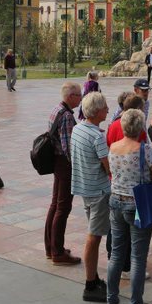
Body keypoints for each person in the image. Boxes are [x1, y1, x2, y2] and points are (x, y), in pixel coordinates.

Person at [106, 109, 152, 304]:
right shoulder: (145, 150)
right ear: (140, 127)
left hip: (115, 200)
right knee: (138, 258)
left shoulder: (113, 147)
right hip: (137, 204)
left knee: (116, 255)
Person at [70, 92, 111, 303]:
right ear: (96, 112)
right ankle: (90, 285)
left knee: (93, 235)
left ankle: (93, 277)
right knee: (94, 237)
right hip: (99, 191)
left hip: (84, 188)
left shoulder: (77, 129)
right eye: (105, 107)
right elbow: (108, 167)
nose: (108, 110)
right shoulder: (97, 136)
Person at [45, 82, 83, 265]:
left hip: (56, 162)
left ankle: (50, 247)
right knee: (63, 208)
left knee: (55, 205)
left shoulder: (56, 109)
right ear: (70, 96)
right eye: (79, 95)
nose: (81, 98)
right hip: (64, 164)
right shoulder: (67, 116)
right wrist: (77, 167)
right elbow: (68, 148)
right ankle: (58, 252)